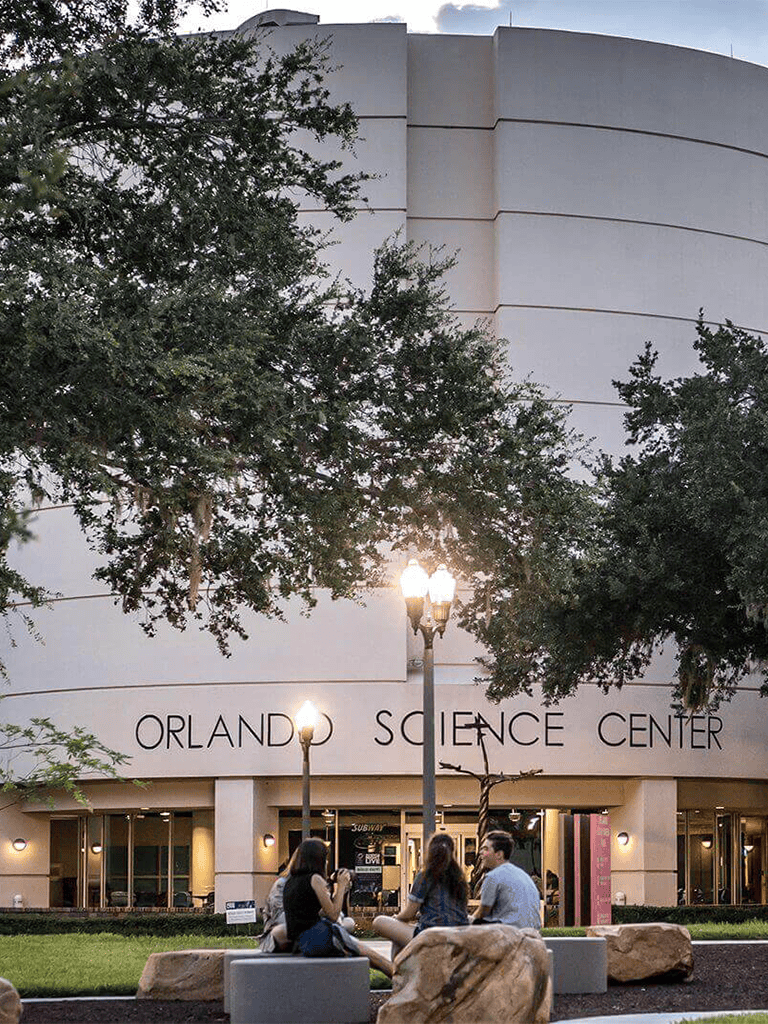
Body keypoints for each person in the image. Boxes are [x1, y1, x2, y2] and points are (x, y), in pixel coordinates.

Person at [271, 837, 393, 976]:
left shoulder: (291, 881)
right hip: (316, 938)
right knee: (371, 955)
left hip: (301, 942)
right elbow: (334, 915)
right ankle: (400, 978)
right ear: (317, 859)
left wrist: (333, 890)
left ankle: (395, 975)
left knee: (363, 951)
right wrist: (341, 886)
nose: (327, 862)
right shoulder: (314, 878)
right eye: (325, 858)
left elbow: (322, 910)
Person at [373, 832, 469, 957]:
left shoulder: (426, 875)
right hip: (460, 934)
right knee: (400, 933)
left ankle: (396, 971)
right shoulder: (459, 878)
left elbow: (408, 914)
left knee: (380, 922)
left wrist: (396, 918)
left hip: (432, 935)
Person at [470, 830, 541, 930]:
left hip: (509, 936)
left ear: (499, 854)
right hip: (532, 934)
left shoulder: (493, 876)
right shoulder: (524, 875)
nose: (481, 853)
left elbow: (482, 912)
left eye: (486, 849)